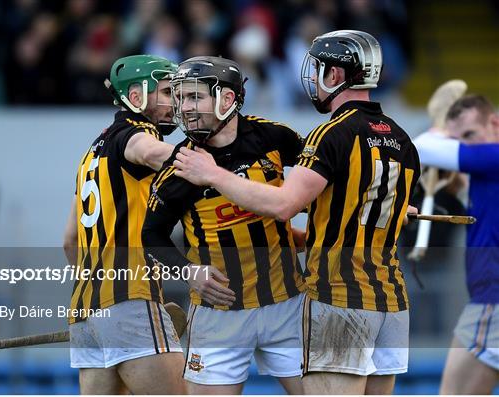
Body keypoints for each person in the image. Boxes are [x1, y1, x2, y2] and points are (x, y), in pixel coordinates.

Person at [173, 30, 421, 394]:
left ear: (334, 75)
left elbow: (285, 204)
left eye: (319, 69)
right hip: (392, 301)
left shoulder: (330, 134)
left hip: (340, 296)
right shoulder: (400, 138)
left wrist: (212, 174)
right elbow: (356, 203)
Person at [142, 56, 306, 394]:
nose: (185, 108)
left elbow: (324, 179)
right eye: (181, 98)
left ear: (227, 100)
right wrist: (189, 272)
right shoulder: (181, 165)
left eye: (195, 97)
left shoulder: (273, 137)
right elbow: (150, 235)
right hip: (219, 314)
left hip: (287, 304)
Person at [62, 54, 186, 394]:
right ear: (136, 98)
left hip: (86, 311)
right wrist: (210, 160)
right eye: (165, 92)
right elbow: (147, 152)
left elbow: (69, 241)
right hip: (132, 297)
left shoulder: (90, 155)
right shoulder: (138, 132)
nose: (175, 102)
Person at [413, 94, 499, 394]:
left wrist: (440, 129)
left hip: (493, 302)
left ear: (495, 124)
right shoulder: (485, 175)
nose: (465, 145)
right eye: (458, 139)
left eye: (469, 135)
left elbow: (421, 146)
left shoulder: (494, 156)